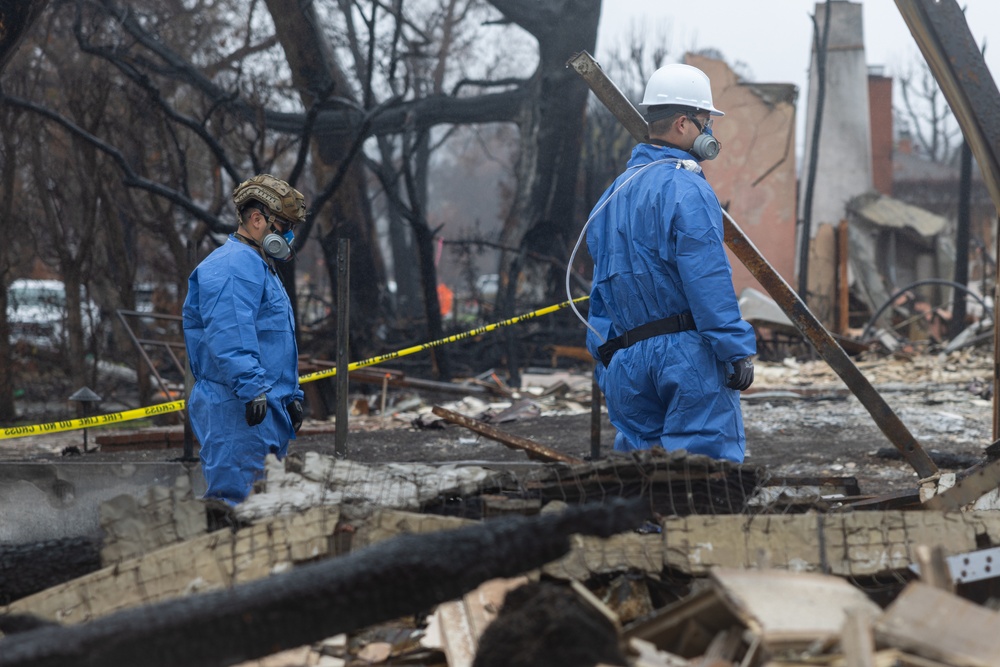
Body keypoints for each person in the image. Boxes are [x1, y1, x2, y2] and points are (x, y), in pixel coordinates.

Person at [585, 63, 756, 462]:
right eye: (705, 122)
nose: (709, 132)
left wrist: (607, 359)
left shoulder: (612, 195)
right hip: (685, 360)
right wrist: (734, 350)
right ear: (683, 123)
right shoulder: (687, 187)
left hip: (625, 362)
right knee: (701, 481)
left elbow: (600, 291)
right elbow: (707, 279)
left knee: (642, 488)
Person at [183, 174, 307, 504]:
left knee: (262, 504)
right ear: (256, 219)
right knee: (237, 504)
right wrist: (251, 388)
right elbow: (230, 333)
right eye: (284, 226)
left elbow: (273, 341)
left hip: (263, 409)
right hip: (239, 410)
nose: (288, 236)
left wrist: (291, 394)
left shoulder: (259, 266)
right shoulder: (233, 265)